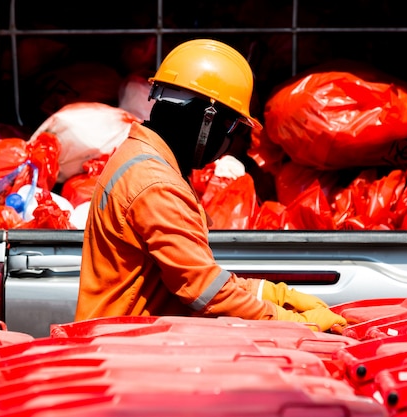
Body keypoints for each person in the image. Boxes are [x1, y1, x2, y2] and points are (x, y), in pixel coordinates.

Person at [75, 38, 347, 332]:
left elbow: (200, 276)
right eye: (231, 128)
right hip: (122, 347)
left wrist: (273, 293)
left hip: (120, 340)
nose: (229, 142)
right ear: (207, 119)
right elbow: (205, 291)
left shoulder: (141, 159)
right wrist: (294, 322)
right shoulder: (156, 184)